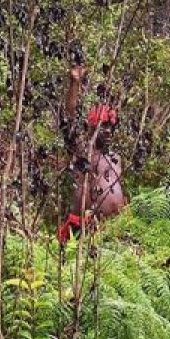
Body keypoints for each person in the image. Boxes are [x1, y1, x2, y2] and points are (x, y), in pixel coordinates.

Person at [58, 63, 127, 243]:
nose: (108, 132)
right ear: (92, 128)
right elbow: (70, 120)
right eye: (103, 127)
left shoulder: (116, 159)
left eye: (111, 128)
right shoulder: (84, 153)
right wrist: (75, 83)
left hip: (112, 231)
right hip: (84, 228)